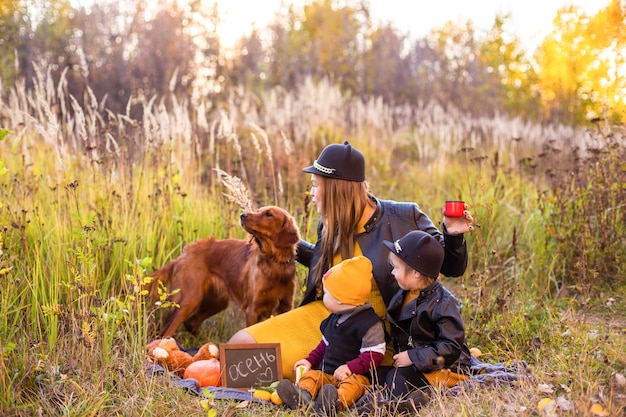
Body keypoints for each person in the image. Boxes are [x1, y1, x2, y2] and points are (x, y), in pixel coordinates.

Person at [228, 141, 474, 379]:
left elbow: (451, 267)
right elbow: (327, 264)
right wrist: (281, 242)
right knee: (240, 346)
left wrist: (453, 237)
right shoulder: (329, 223)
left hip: (373, 332)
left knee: (243, 365)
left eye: (315, 185)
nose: (311, 193)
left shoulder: (404, 217)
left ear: (337, 188)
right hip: (330, 318)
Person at [358, 230, 474, 414]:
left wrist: (413, 357)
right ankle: (365, 398)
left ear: (416, 274)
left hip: (445, 367)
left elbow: (451, 347)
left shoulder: (443, 303)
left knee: (397, 378)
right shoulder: (404, 293)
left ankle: (396, 406)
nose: (392, 272)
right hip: (420, 363)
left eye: (396, 267)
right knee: (376, 374)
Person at [275, 256, 386, 416]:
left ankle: (334, 403)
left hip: (354, 375)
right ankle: (302, 396)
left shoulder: (369, 324)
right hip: (326, 373)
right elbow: (323, 346)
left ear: (341, 300)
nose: (322, 296)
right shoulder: (334, 318)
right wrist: (309, 360)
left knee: (353, 386)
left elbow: (375, 355)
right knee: (312, 376)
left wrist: (350, 367)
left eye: (326, 294)